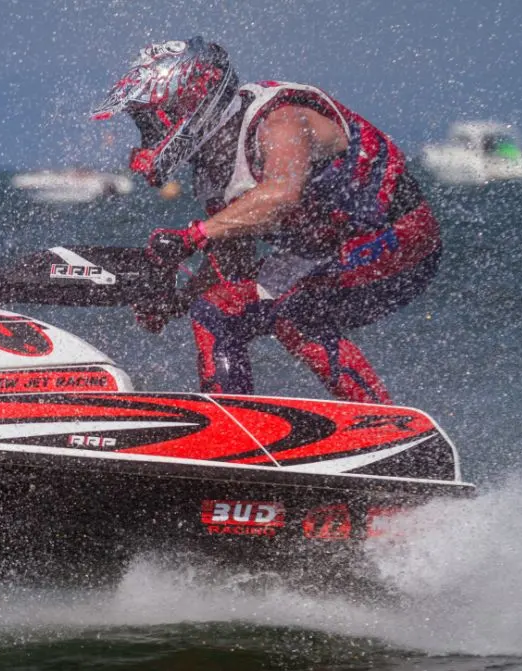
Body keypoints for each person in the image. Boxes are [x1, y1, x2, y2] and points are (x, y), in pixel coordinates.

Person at [92, 38, 440, 404]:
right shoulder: (212, 170)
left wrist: (194, 236)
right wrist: (178, 301)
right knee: (216, 310)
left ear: (190, 101)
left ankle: (382, 424)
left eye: (151, 120)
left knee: (297, 313)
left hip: (400, 239)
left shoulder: (279, 118)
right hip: (318, 252)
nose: (149, 138)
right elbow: (233, 259)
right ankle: (231, 429)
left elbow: (281, 196)